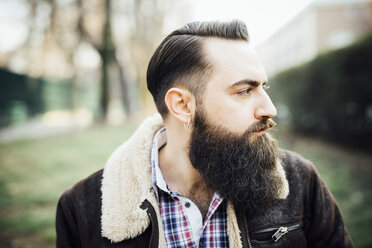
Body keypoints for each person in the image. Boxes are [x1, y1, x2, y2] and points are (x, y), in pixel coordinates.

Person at [56, 20, 353, 248]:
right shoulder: (83, 210)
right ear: (183, 105)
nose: (269, 108)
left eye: (265, 88)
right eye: (245, 90)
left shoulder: (300, 182)